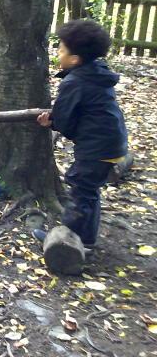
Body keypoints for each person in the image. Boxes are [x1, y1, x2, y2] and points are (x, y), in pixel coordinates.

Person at [36, 19, 127, 251]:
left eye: (61, 50)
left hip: (97, 146)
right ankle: (86, 239)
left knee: (80, 189)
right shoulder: (98, 73)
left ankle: (66, 241)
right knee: (89, 191)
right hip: (112, 142)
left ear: (75, 59)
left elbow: (64, 119)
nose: (57, 53)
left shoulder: (74, 82)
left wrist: (51, 123)